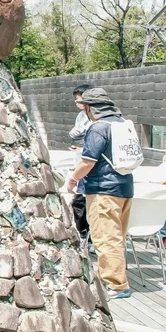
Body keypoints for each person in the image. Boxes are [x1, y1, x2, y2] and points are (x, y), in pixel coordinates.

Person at [65, 88, 134, 300]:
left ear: (90, 108)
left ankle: (116, 285)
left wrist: (73, 179)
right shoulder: (123, 124)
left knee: (105, 238)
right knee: (117, 236)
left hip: (102, 189)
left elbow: (88, 161)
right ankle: (116, 279)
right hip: (125, 187)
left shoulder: (98, 128)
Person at [68, 83, 93, 241]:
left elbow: (94, 143)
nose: (77, 104)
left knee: (80, 203)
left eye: (78, 101)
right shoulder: (81, 116)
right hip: (81, 162)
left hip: (88, 166)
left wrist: (73, 179)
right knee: (80, 203)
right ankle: (85, 237)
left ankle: (85, 238)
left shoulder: (95, 116)